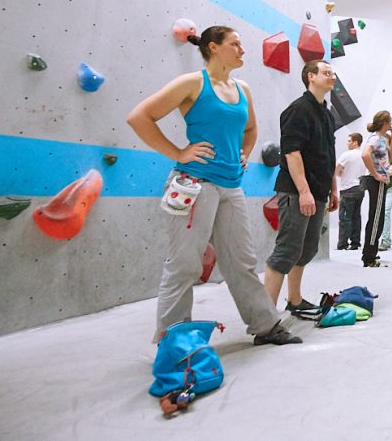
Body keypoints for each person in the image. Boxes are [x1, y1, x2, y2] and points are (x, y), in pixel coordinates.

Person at [127, 25, 300, 346]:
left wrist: (244, 155)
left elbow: (250, 130)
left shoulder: (242, 88)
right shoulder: (192, 83)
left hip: (231, 186)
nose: (242, 50)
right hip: (194, 184)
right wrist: (178, 152)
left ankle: (265, 326)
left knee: (241, 261)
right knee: (184, 264)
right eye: (235, 44)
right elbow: (139, 117)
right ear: (213, 47)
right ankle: (174, 341)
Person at [262, 59, 339, 318]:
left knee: (306, 250)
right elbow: (292, 153)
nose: (332, 77)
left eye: (333, 73)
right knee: (286, 251)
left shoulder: (327, 114)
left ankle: (294, 300)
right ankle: (265, 317)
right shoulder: (297, 110)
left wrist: (333, 189)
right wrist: (304, 191)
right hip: (296, 192)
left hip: (318, 192)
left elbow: (329, 155)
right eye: (327, 73)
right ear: (310, 77)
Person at [360, 110, 392, 267]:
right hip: (376, 181)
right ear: (384, 123)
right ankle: (368, 256)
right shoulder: (375, 138)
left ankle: (371, 252)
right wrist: (375, 175)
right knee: (376, 219)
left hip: (380, 181)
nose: (391, 124)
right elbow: (365, 155)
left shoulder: (382, 139)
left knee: (378, 218)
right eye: (390, 121)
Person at [334, 133, 365, 250]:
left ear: (355, 142)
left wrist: (341, 173)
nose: (347, 143)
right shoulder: (364, 154)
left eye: (349, 141)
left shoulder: (346, 155)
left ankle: (342, 244)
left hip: (348, 188)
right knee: (356, 216)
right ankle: (355, 243)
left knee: (345, 217)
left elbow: (336, 171)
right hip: (360, 188)